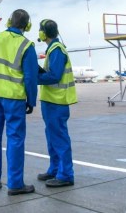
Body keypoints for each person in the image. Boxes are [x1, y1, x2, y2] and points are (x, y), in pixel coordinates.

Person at [0, 9, 38, 196]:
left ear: (9, 21)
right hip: (14, 98)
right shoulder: (26, 45)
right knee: (15, 139)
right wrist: (31, 101)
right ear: (27, 26)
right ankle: (15, 184)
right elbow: (30, 77)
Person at [36, 19, 77, 187]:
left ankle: (66, 174)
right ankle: (54, 169)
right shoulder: (52, 49)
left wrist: (34, 78)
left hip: (57, 102)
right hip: (50, 100)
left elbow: (54, 76)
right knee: (52, 138)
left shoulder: (57, 50)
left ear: (43, 33)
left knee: (59, 138)